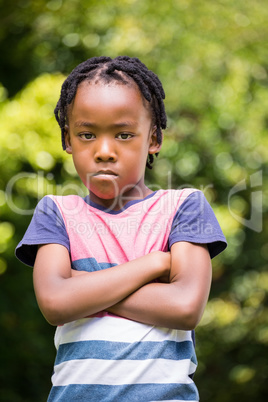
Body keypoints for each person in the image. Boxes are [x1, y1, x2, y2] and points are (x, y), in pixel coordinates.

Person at [16, 56, 227, 401]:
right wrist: (154, 265)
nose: (103, 151)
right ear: (67, 139)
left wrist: (80, 289)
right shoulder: (55, 213)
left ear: (154, 138)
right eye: (86, 134)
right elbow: (55, 303)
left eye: (124, 134)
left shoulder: (183, 208)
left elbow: (186, 307)